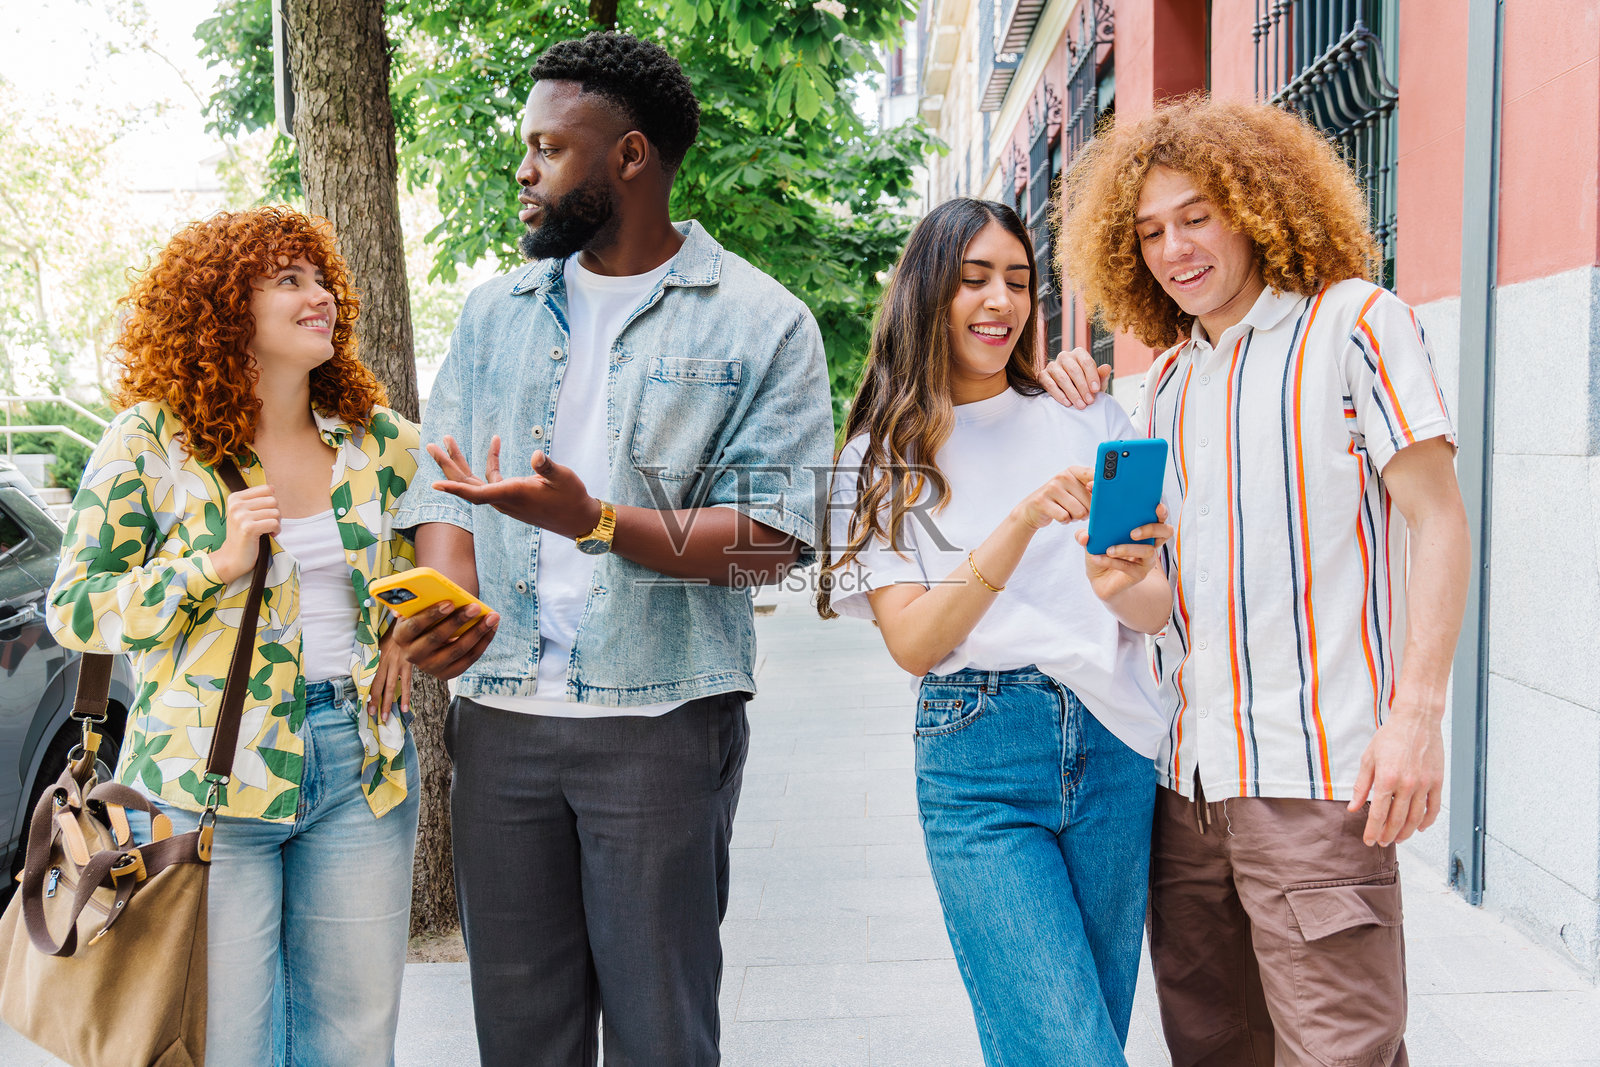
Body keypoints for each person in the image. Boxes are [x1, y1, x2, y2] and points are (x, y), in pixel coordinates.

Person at [388, 31, 834, 1066]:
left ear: (629, 157)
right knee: (521, 1040)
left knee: (660, 1034)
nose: (523, 169)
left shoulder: (763, 321)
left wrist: (593, 521)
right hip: (497, 726)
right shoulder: (494, 310)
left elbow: (772, 539)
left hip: (662, 720)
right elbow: (441, 490)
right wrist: (449, 601)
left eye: (547, 147)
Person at [1045, 97, 1471, 1066]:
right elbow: (1165, 603)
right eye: (1149, 230)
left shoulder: (1358, 323)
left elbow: (1438, 520)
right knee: (1214, 1050)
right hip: (1183, 790)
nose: (1172, 248)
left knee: (1339, 1051)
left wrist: (1417, 716)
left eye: (1195, 215)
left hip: (1314, 781)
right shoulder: (1167, 385)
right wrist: (1118, 580)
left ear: (1255, 205)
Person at [45, 207, 423, 1066]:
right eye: (287, 280)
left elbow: (428, 556)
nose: (318, 295)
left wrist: (409, 624)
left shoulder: (378, 442)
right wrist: (207, 567)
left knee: (357, 1044)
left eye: (320, 279)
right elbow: (73, 607)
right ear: (222, 309)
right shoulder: (151, 438)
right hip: (201, 781)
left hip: (358, 766)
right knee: (222, 1044)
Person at [818, 197, 1174, 1066]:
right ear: (926, 291)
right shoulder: (881, 456)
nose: (1000, 301)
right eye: (973, 278)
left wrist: (1125, 581)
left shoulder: (1090, 417)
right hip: (978, 760)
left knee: (1075, 1040)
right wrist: (1016, 525)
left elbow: (1158, 605)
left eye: (1017, 280)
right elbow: (914, 643)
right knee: (1071, 1052)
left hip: (1116, 743)